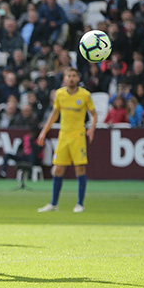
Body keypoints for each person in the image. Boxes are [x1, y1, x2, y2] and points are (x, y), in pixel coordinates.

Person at [37, 67, 97, 213]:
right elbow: (54, 114)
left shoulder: (85, 95)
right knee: (58, 169)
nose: (71, 78)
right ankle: (53, 204)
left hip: (78, 136)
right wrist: (43, 133)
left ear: (78, 78)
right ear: (64, 78)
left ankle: (80, 204)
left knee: (79, 168)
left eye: (74, 76)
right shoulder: (60, 94)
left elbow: (94, 114)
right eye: (68, 76)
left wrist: (92, 128)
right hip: (63, 136)